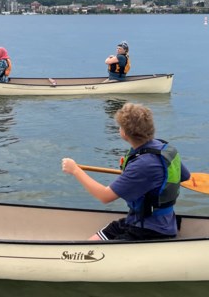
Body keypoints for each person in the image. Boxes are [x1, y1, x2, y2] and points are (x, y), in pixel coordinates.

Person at [61, 102, 190, 240]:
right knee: (92, 242)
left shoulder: (143, 164)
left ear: (123, 132)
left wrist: (75, 170)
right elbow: (184, 176)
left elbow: (104, 196)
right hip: (140, 220)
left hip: (150, 229)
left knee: (97, 250)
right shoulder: (164, 148)